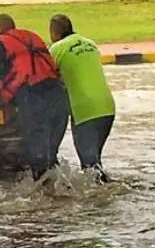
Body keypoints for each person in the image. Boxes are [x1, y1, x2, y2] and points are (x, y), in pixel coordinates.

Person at [0, 14, 69, 181]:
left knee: (37, 159)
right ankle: (59, 195)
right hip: (59, 98)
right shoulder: (33, 38)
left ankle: (42, 199)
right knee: (50, 156)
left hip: (32, 100)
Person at [48, 14, 115, 184]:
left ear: (54, 33)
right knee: (95, 162)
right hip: (107, 107)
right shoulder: (91, 44)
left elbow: (49, 80)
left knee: (89, 167)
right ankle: (105, 191)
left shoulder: (56, 49)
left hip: (84, 110)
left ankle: (96, 205)